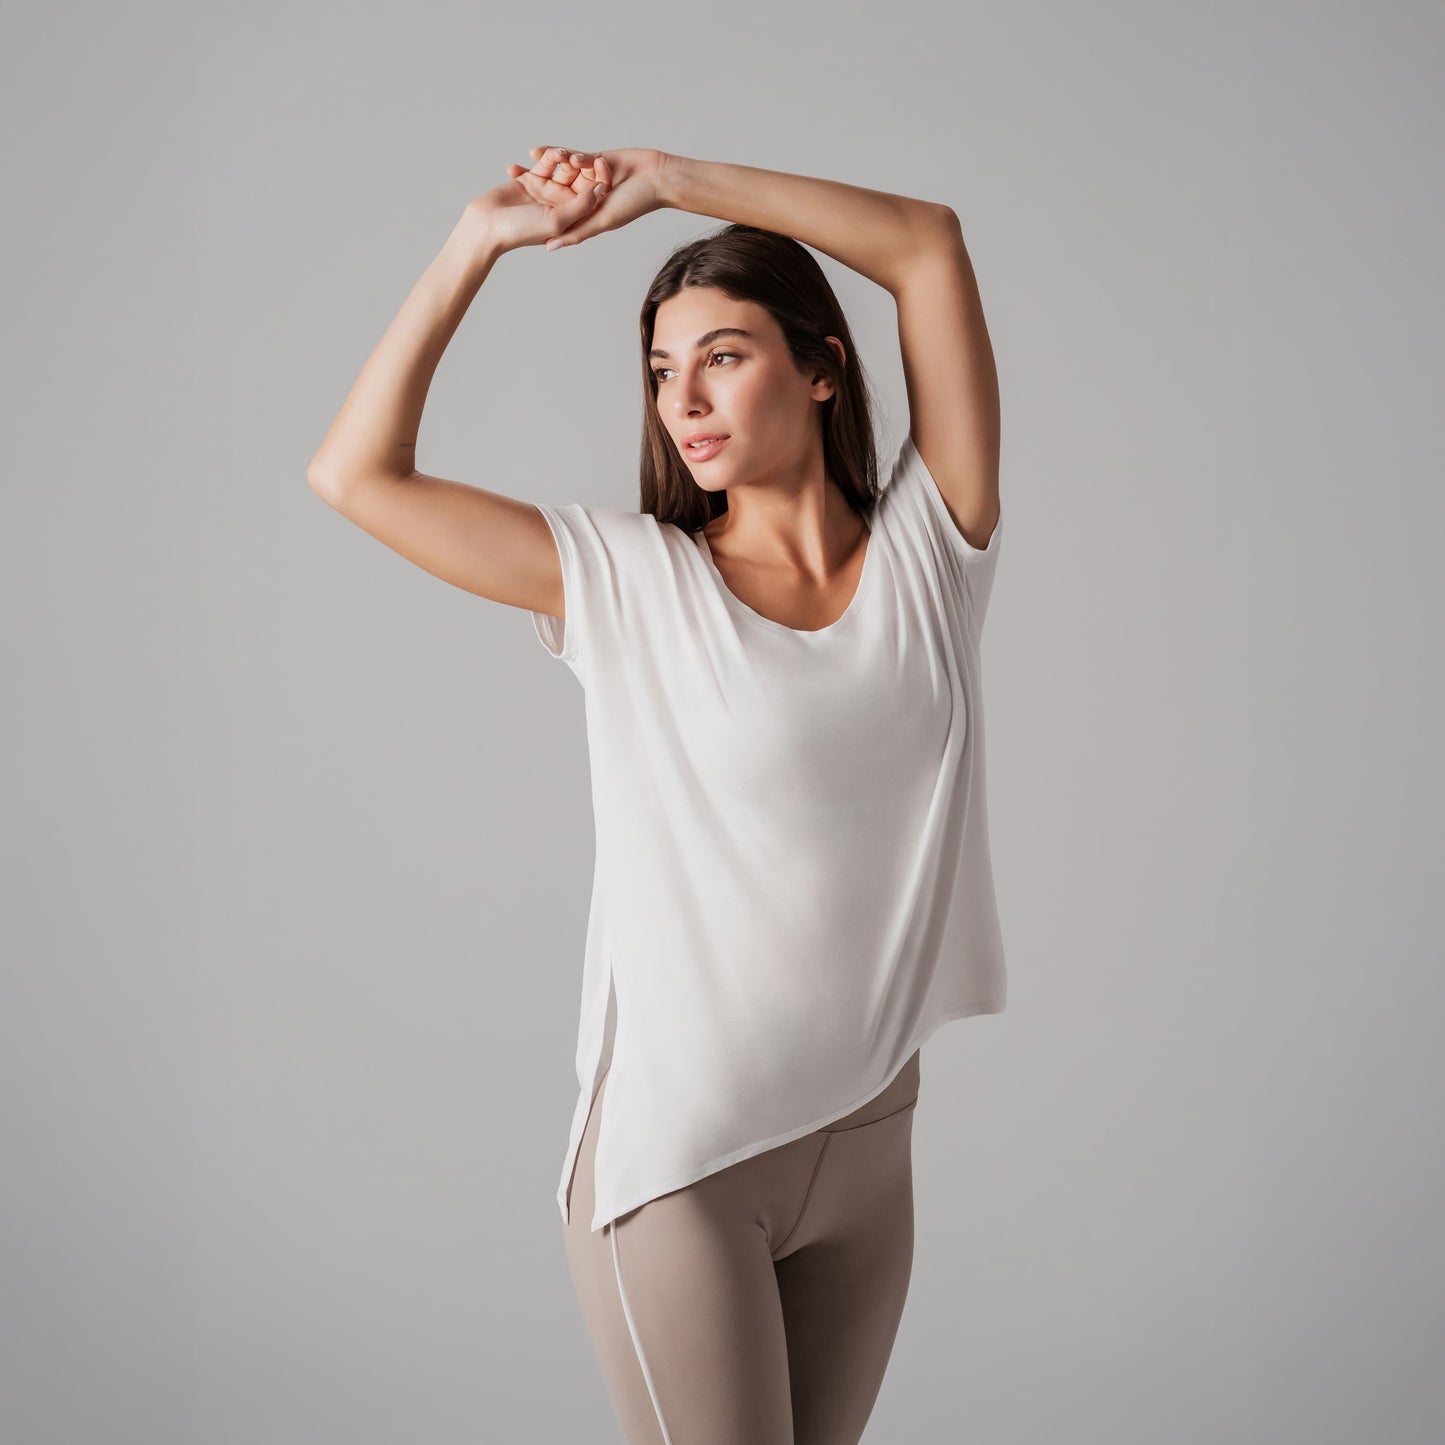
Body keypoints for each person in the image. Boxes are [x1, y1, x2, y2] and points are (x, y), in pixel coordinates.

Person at [307, 146, 1005, 1445]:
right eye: (659, 370)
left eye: (722, 355)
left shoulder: (930, 556)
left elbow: (927, 244)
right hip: (676, 1166)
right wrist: (475, 241)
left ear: (820, 363)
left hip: (868, 1147)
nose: (682, 398)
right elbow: (357, 475)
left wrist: (671, 182)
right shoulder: (626, 581)